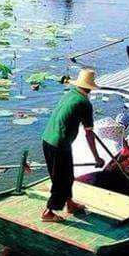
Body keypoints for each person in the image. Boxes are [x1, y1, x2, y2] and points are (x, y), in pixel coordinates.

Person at [41, 69, 104, 222]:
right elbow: (89, 134)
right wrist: (97, 158)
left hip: (47, 140)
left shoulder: (70, 94)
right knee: (61, 180)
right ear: (89, 87)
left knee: (66, 176)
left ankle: (70, 203)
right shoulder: (85, 103)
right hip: (59, 144)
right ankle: (48, 212)